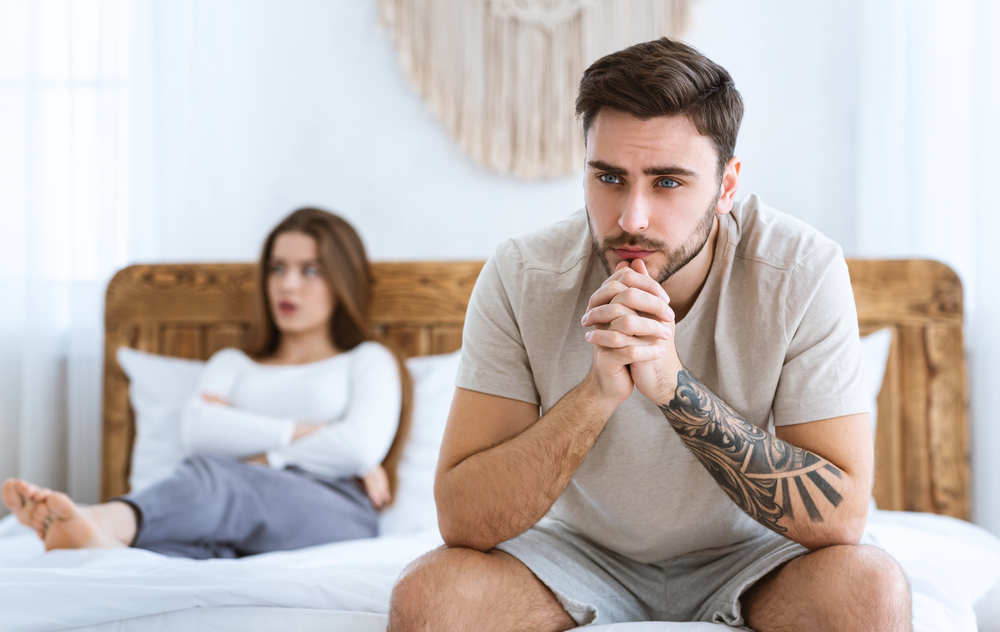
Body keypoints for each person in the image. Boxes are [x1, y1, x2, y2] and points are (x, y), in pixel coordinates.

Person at [388, 38, 912, 631]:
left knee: (869, 590)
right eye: (609, 177)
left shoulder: (801, 272)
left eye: (667, 182)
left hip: (755, 554)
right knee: (430, 596)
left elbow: (842, 519)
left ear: (726, 185)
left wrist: (673, 387)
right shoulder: (523, 276)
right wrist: (597, 393)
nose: (631, 218)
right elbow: (460, 519)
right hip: (577, 556)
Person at [2, 207, 412, 559]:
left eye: (310, 270)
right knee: (199, 546)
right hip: (228, 509)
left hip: (335, 508)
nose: (287, 284)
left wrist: (260, 458)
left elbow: (359, 447)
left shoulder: (368, 360)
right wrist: (314, 433)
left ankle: (101, 518)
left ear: (343, 281)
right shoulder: (232, 363)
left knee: (215, 478)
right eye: (277, 267)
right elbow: (198, 429)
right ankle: (106, 548)